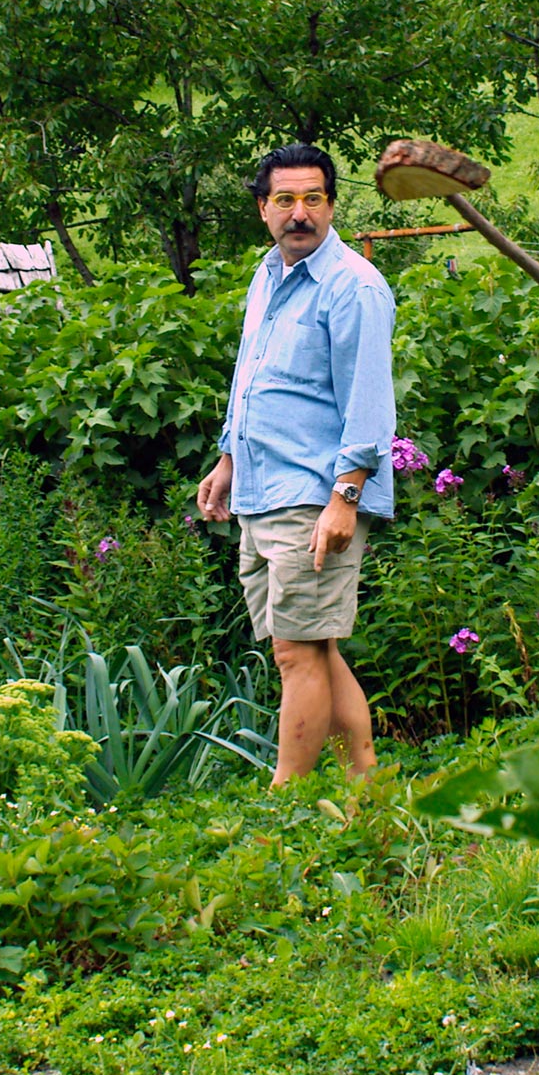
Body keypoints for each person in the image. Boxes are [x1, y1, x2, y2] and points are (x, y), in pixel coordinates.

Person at [197, 142, 396, 784]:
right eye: (285, 199)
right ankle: (366, 788)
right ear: (263, 208)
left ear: (332, 205)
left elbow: (368, 403)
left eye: (314, 199)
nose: (300, 213)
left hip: (315, 493)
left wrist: (346, 496)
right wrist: (228, 457)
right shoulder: (268, 275)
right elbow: (250, 376)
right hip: (262, 486)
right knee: (315, 647)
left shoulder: (354, 287)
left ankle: (286, 804)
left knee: (295, 654)